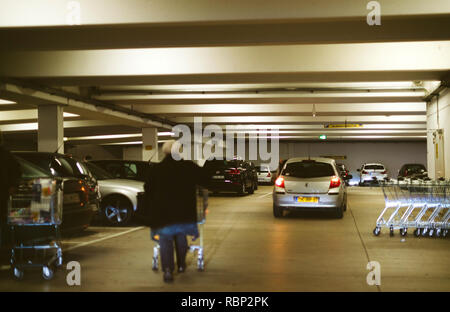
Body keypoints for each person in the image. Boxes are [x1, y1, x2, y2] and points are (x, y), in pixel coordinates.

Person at [143, 140, 210, 282]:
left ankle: (167, 270)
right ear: (179, 151)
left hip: (163, 214)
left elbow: (147, 189)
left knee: (165, 240)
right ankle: (181, 265)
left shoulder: (156, 169)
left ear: (164, 152)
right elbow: (205, 179)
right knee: (181, 237)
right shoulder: (188, 167)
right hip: (184, 213)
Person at [0, 133, 22, 249]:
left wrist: (12, 186)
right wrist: (12, 186)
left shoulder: (6, 156)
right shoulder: (6, 155)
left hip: (3, 192)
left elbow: (16, 171)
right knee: (3, 220)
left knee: (3, 220)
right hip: (3, 192)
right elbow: (17, 171)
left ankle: (4, 246)